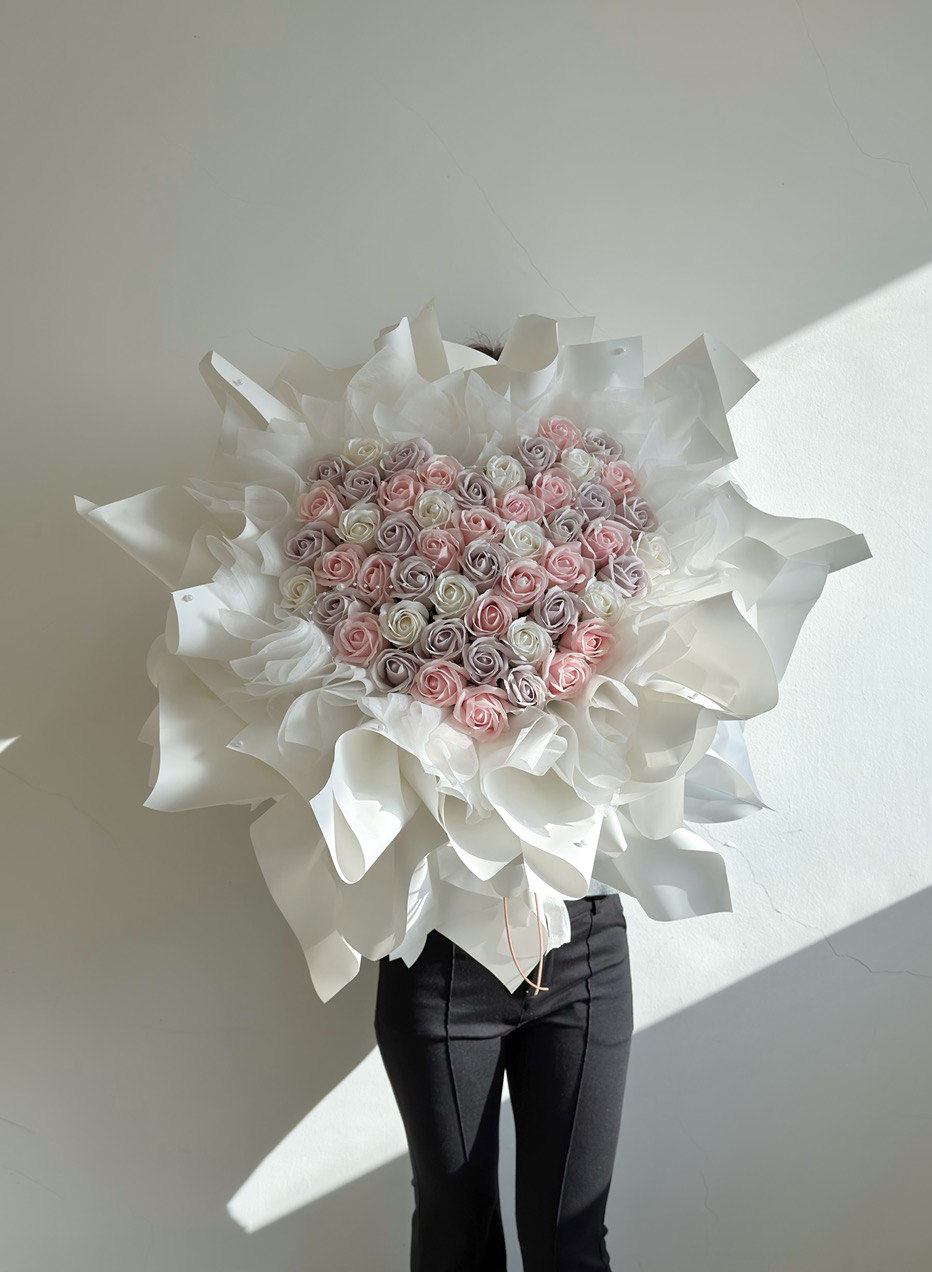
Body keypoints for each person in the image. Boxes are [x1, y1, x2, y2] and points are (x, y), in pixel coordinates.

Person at [373, 337, 634, 1272]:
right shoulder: (375, 572)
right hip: (442, 956)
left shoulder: (597, 555)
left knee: (571, 1239)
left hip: (583, 941)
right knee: (455, 1239)